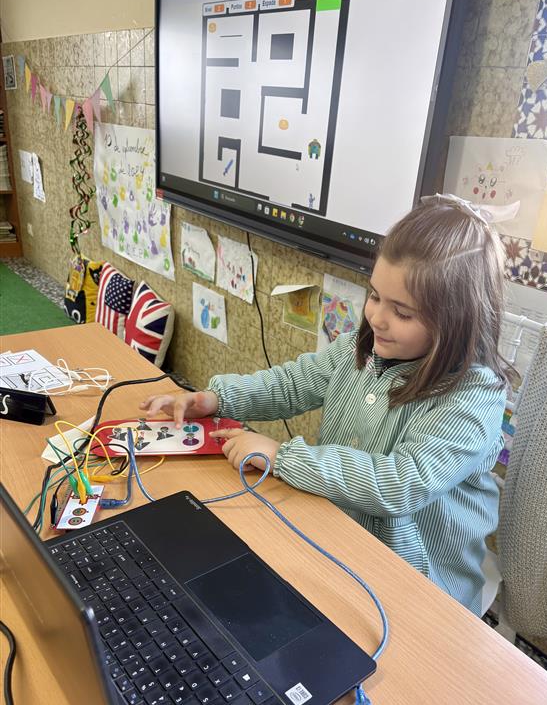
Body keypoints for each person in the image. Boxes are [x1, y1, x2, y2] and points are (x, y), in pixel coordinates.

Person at [141, 194, 511, 615]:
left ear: (458, 320)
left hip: (419, 588)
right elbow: (293, 383)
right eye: (374, 296)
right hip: (339, 540)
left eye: (403, 313)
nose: (377, 319)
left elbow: (399, 483)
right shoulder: (366, 347)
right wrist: (216, 398)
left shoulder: (473, 398)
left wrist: (282, 457)